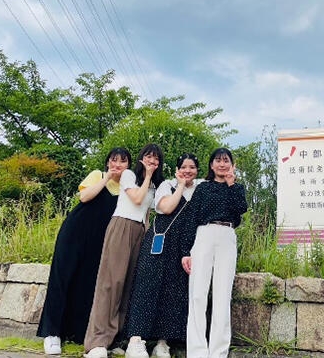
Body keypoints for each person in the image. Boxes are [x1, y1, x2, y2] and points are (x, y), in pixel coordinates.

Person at [38, 148, 131, 355]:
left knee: (87, 285)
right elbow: (85, 197)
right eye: (113, 160)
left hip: (100, 241)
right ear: (107, 162)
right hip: (75, 234)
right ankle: (52, 333)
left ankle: (78, 333)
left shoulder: (127, 187)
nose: (117, 164)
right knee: (62, 279)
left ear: (128, 166)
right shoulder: (98, 175)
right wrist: (106, 178)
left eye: (122, 161)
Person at [83, 144, 164, 358]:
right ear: (141, 158)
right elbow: (137, 199)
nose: (152, 161)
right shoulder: (129, 175)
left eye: (156, 158)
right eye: (148, 156)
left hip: (140, 231)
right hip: (121, 226)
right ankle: (97, 342)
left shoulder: (155, 185)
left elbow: (147, 212)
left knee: (129, 285)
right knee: (111, 283)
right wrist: (147, 175)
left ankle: (116, 339)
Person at [123, 153, 203, 358]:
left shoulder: (201, 188)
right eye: (183, 167)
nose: (187, 171)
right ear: (177, 169)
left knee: (174, 290)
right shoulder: (167, 185)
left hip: (183, 245)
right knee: (147, 286)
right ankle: (135, 340)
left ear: (197, 170)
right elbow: (166, 208)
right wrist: (181, 185)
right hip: (160, 240)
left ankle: (162, 342)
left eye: (192, 167)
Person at [180, 147, 248, 358]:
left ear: (232, 164)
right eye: (218, 160)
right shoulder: (203, 188)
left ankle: (218, 352)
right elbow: (191, 218)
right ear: (211, 165)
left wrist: (231, 183)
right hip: (204, 235)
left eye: (226, 160)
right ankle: (197, 352)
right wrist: (185, 251)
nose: (222, 164)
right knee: (198, 294)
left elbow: (241, 208)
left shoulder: (236, 188)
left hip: (227, 236)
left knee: (222, 295)